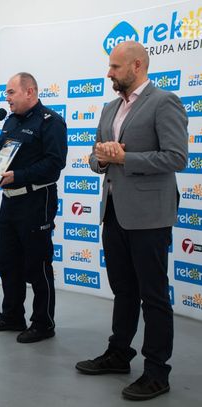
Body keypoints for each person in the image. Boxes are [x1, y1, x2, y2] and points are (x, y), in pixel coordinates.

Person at [75, 41, 188, 401]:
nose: (109, 73)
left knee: (153, 295)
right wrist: (103, 159)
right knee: (124, 290)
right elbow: (96, 157)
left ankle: (156, 372)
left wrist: (125, 158)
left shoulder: (164, 101)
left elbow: (177, 157)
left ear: (137, 66)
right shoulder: (110, 108)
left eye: (115, 67)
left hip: (150, 215)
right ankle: (119, 353)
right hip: (113, 212)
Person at [0, 72, 67, 343]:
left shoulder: (51, 122)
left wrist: (18, 176)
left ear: (30, 92)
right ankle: (12, 316)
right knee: (8, 262)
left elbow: (54, 165)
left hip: (37, 200)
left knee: (37, 265)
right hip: (10, 200)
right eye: (6, 93)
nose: (6, 98)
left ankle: (43, 323)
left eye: (11, 92)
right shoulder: (10, 121)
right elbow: (4, 158)